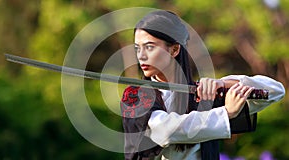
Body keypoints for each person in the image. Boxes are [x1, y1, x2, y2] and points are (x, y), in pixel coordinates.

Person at [120, 10, 285, 160]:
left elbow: (276, 91)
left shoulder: (204, 93)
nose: (141, 56)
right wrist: (226, 113)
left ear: (174, 50)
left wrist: (222, 84)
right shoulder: (135, 96)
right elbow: (167, 131)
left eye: (149, 47)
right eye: (137, 48)